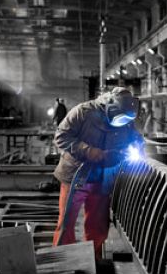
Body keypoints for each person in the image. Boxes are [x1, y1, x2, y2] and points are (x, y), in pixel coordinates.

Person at [52, 87, 144, 259]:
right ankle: (62, 262)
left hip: (103, 178)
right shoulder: (83, 112)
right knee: (66, 223)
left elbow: (134, 137)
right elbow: (61, 136)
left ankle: (93, 261)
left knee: (98, 226)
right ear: (110, 107)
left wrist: (138, 143)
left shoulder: (126, 118)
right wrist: (88, 151)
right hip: (76, 176)